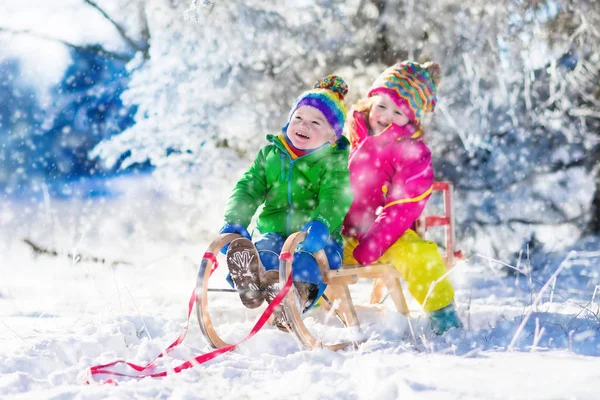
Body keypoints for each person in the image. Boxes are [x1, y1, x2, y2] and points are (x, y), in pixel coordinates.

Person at [219, 75, 353, 328]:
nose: (304, 125)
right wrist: (235, 219)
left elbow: (337, 195)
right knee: (265, 251)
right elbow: (248, 187)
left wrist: (322, 224)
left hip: (317, 239)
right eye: (298, 118)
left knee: (304, 263)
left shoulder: (332, 163)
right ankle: (253, 280)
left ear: (332, 137)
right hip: (273, 231)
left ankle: (295, 298)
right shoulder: (271, 155)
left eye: (316, 122)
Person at [341, 61, 463, 335]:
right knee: (310, 252)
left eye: (398, 112)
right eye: (382, 105)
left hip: (388, 236)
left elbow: (404, 205)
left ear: (412, 119)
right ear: (370, 101)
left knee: (421, 256)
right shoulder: (347, 138)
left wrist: (375, 240)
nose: (386, 115)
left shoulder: (412, 152)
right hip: (342, 233)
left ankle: (443, 316)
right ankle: (306, 302)